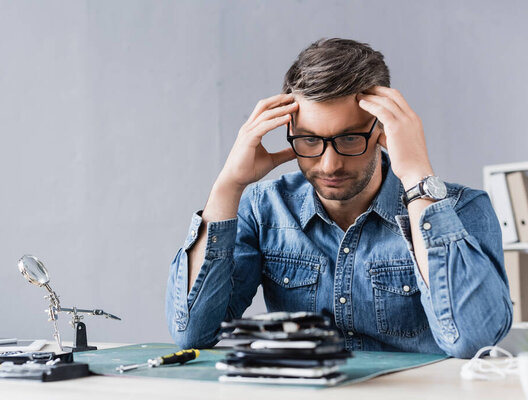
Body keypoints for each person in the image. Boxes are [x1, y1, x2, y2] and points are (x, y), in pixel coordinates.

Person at [165, 38, 512, 358]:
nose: (329, 164)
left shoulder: (461, 209)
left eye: (348, 139)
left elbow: (473, 340)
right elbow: (192, 333)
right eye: (310, 140)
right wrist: (228, 185)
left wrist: (418, 179)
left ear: (382, 129)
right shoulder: (263, 209)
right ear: (290, 132)